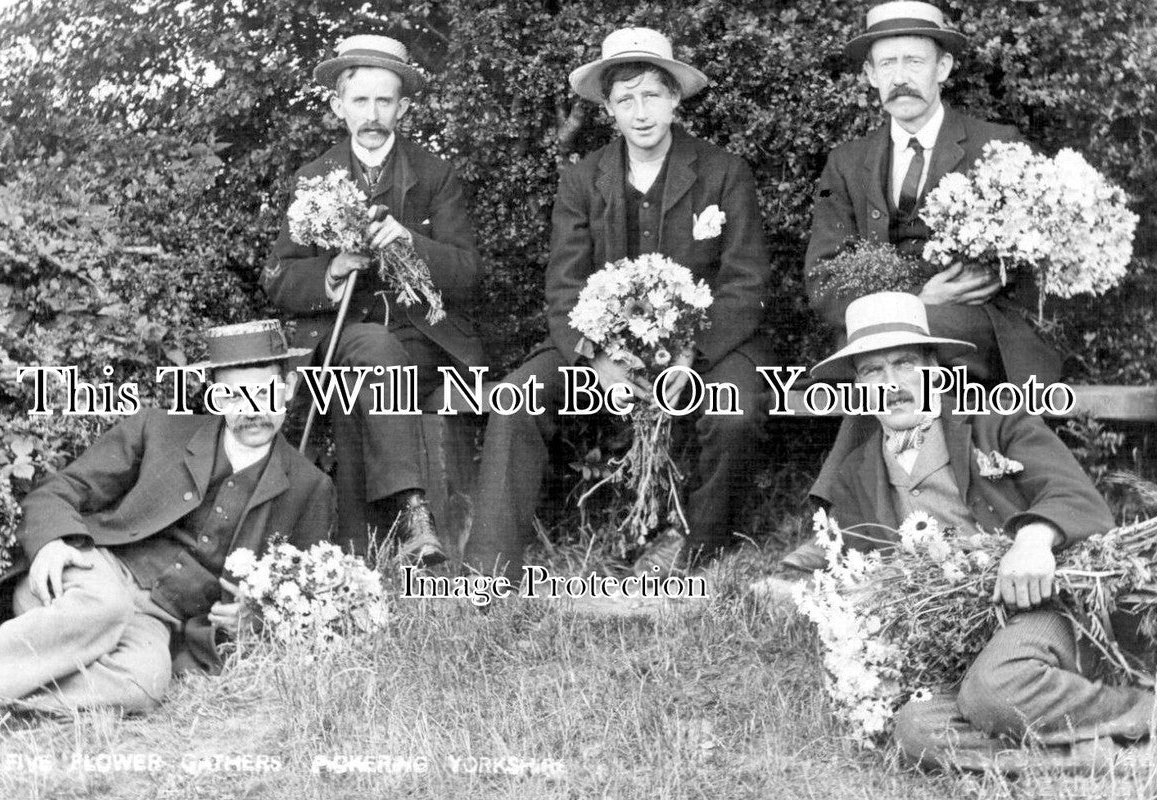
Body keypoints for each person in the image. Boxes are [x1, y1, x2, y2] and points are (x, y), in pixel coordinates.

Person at [463, 27, 771, 582]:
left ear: (675, 99)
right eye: (626, 99)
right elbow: (564, 287)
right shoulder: (583, 180)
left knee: (736, 410)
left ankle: (698, 548)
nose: (641, 112)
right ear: (608, 108)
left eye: (652, 95)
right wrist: (597, 359)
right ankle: (488, 569)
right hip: (603, 349)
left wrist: (691, 355)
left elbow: (745, 283)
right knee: (514, 399)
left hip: (706, 344)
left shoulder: (725, 172)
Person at [810, 292, 1154, 770]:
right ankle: (1100, 755)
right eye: (872, 371)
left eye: (905, 363)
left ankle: (1143, 712)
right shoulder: (853, 477)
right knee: (916, 728)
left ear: (935, 370)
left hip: (1042, 609)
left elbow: (1077, 497)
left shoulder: (996, 423)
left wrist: (1034, 539)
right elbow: (869, 582)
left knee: (995, 689)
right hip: (962, 644)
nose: (891, 383)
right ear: (858, 386)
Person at [0, 320, 336, 713]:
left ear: (290, 387)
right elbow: (60, 489)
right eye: (234, 396)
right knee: (105, 607)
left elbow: (299, 600)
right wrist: (51, 543)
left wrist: (253, 618)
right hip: (94, 576)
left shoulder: (311, 488)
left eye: (264, 393)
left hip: (156, 620)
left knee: (145, 684)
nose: (252, 411)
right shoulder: (158, 430)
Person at [262, 34, 483, 564]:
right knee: (371, 354)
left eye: (385, 101)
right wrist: (332, 270)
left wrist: (411, 241)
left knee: (369, 376)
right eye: (360, 100)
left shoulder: (435, 175)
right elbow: (278, 278)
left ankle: (359, 543)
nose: (372, 114)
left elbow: (469, 274)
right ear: (338, 106)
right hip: (342, 334)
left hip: (421, 338)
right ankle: (413, 513)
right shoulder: (313, 178)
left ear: (402, 108)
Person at [804, 0, 1059, 387]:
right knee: (880, 349)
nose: (900, 77)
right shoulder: (846, 163)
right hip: (881, 329)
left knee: (888, 350)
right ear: (870, 74)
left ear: (943, 68)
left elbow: (1041, 260)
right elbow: (823, 277)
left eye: (914, 62)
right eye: (887, 64)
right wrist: (916, 300)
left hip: (976, 330)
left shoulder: (996, 147)